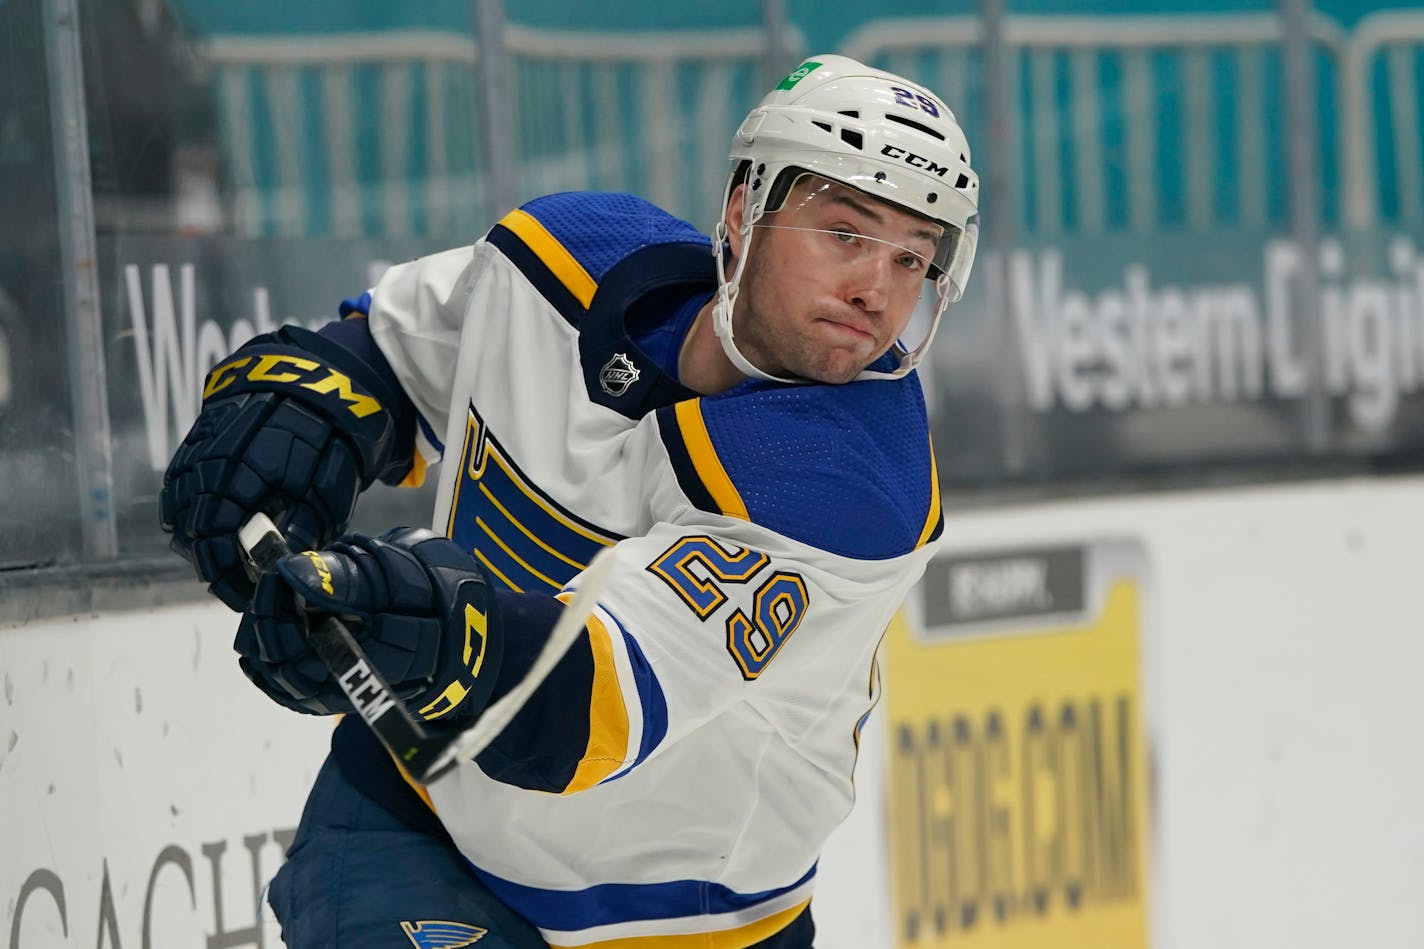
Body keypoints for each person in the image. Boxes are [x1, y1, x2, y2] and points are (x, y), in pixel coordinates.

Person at [160, 54, 979, 949]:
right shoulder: (564, 257)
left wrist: (419, 626)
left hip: (683, 920)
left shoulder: (852, 486)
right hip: (420, 815)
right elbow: (391, 350)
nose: (877, 289)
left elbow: (587, 705)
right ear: (747, 210)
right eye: (846, 233)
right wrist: (306, 408)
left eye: (912, 259)